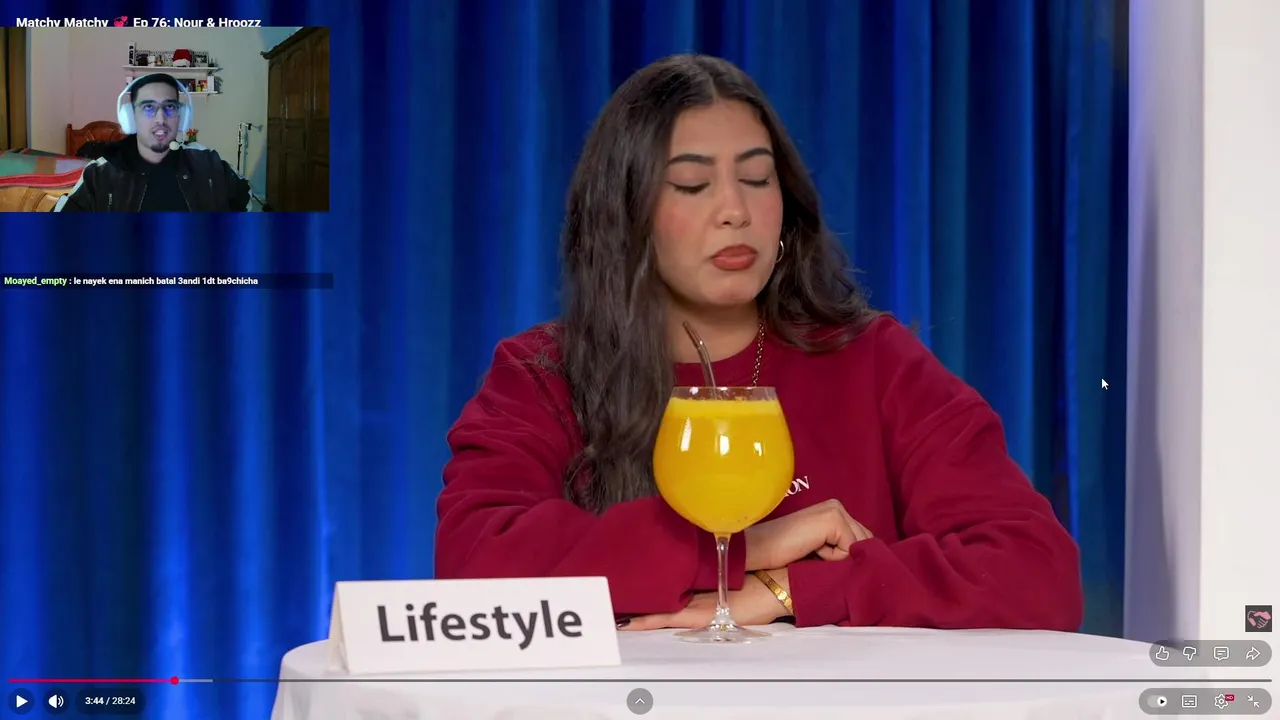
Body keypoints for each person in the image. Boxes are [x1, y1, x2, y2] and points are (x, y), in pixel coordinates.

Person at [435, 54, 1084, 632]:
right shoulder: (543, 373)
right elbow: (474, 565)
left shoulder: (874, 360)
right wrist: (749, 548)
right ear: (625, 215)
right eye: (692, 185)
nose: (735, 211)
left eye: (756, 178)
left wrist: (788, 590)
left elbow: (1036, 567)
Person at [55, 73, 250, 212]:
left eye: (170, 107)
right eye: (148, 107)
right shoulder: (99, 175)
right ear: (131, 117)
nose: (161, 119)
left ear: (182, 116)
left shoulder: (211, 165)